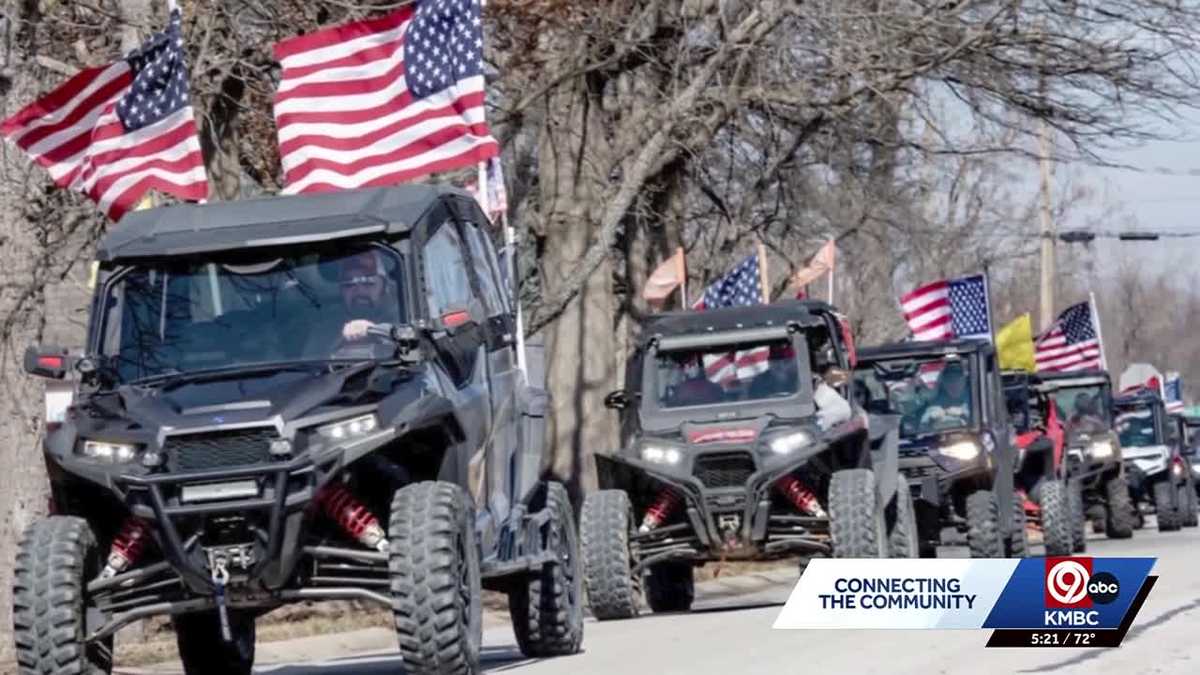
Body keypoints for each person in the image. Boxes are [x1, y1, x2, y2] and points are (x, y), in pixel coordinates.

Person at [919, 361, 971, 428]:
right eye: (949, 380)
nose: (953, 385)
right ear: (943, 383)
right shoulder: (936, 403)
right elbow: (921, 427)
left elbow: (982, 423)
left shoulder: (976, 397)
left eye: (957, 379)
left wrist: (963, 414)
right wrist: (931, 419)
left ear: (964, 380)